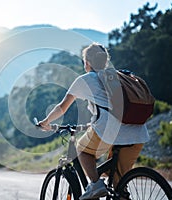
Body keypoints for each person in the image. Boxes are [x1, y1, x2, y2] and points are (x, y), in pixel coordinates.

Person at [38, 42, 150, 199]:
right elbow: (110, 110)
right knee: (119, 188)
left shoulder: (85, 80)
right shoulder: (116, 78)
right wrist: (88, 125)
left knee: (82, 151)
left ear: (87, 62)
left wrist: (45, 122)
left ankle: (96, 185)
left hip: (110, 131)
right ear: (105, 61)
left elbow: (62, 108)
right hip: (138, 133)